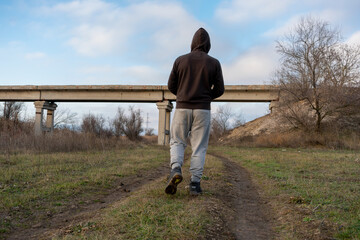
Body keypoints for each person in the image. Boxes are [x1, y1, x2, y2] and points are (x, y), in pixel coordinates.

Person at [165, 27, 224, 196]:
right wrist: (205, 97)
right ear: (208, 44)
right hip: (203, 110)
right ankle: (195, 185)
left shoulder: (180, 60)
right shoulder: (214, 63)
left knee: (177, 141)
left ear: (192, 43)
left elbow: (171, 86)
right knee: (199, 147)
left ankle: (176, 169)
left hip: (182, 107)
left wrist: (183, 96)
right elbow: (220, 89)